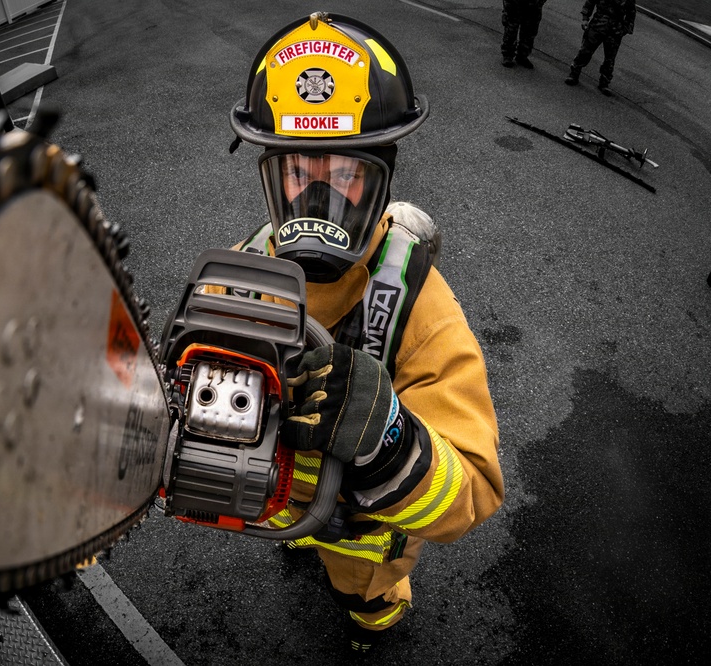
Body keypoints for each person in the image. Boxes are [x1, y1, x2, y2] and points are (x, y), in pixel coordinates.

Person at [225, 11, 504, 654]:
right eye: (298, 174)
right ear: (270, 174)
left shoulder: (420, 310)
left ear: (382, 178)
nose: (318, 202)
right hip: (282, 501)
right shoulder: (250, 261)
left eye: (345, 176)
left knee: (363, 601)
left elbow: (476, 492)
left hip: (365, 539)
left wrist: (387, 439)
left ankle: (374, 623)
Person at [565, 0, 636, 95]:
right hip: (597, 25)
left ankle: (604, 82)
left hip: (615, 31)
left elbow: (631, 13)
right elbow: (590, 2)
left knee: (610, 59)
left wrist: (624, 30)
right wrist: (585, 18)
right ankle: (574, 74)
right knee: (585, 51)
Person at [500, 0, 549, 68]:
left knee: (530, 29)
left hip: (534, 4)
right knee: (511, 27)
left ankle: (522, 55)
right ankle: (507, 55)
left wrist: (540, 2)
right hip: (514, 3)